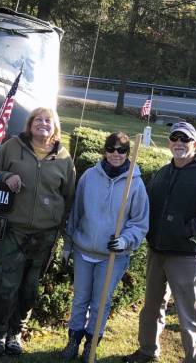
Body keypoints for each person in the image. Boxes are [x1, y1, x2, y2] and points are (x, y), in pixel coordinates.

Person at [0, 107, 75, 356]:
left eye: (48, 120)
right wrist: (6, 175)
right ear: (30, 124)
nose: (43, 124)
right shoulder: (12, 146)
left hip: (45, 236)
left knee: (29, 289)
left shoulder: (65, 159)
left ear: (55, 126)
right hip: (13, 230)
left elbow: (68, 198)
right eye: (38, 120)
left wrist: (62, 234)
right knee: (5, 285)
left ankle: (15, 333)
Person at [123, 122, 196, 363]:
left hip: (186, 255)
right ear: (169, 142)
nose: (179, 143)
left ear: (195, 144)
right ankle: (147, 350)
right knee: (151, 307)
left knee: (188, 312)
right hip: (157, 251)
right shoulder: (162, 173)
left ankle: (194, 359)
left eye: (185, 139)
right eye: (175, 138)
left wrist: (186, 230)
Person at [60, 132, 149, 362]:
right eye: (111, 149)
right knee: (80, 298)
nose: (115, 154)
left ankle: (92, 342)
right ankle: (73, 339)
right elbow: (76, 212)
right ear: (104, 150)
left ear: (128, 153)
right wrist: (68, 245)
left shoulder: (135, 184)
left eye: (121, 150)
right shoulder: (89, 176)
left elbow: (140, 222)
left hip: (113, 256)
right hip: (84, 250)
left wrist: (125, 240)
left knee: (101, 300)